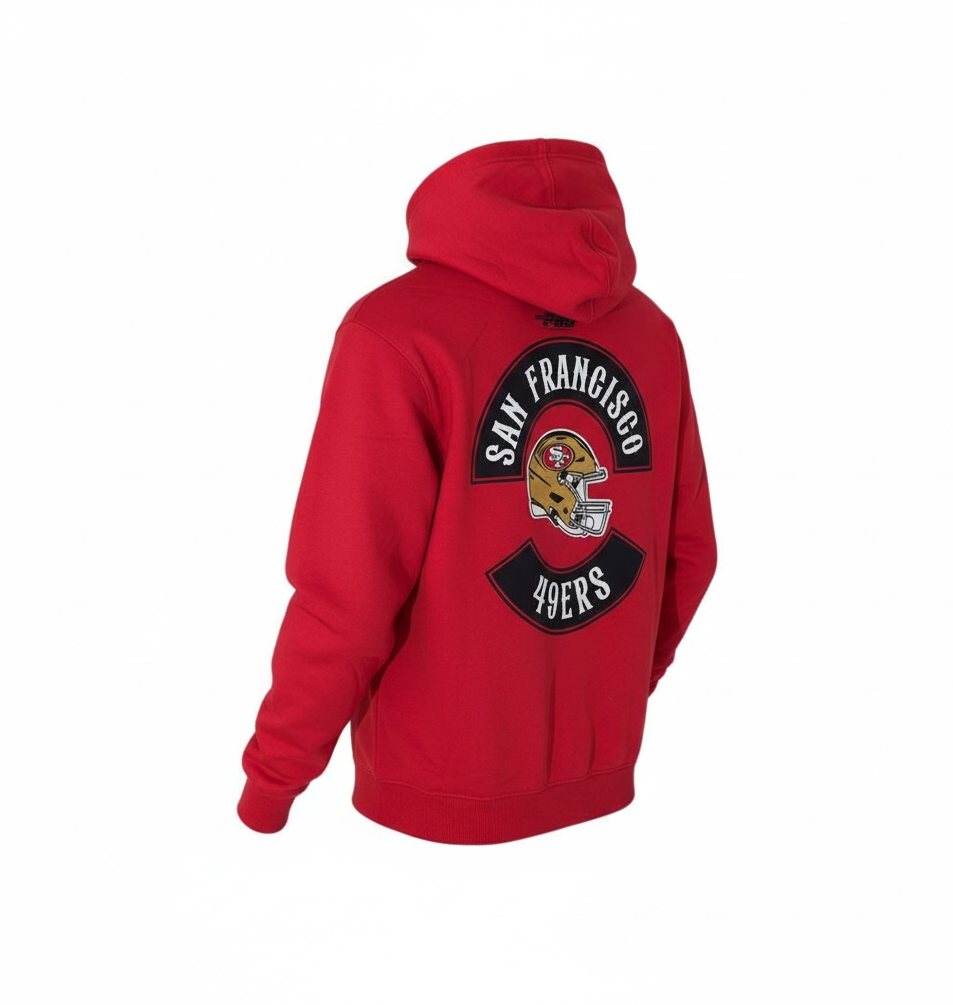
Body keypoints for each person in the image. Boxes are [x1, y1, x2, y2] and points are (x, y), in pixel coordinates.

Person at [237, 138, 717, 844]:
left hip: (431, 808)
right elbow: (689, 556)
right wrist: (608, 699)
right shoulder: (652, 333)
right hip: (610, 808)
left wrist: (270, 784)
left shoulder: (394, 331)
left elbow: (347, 596)